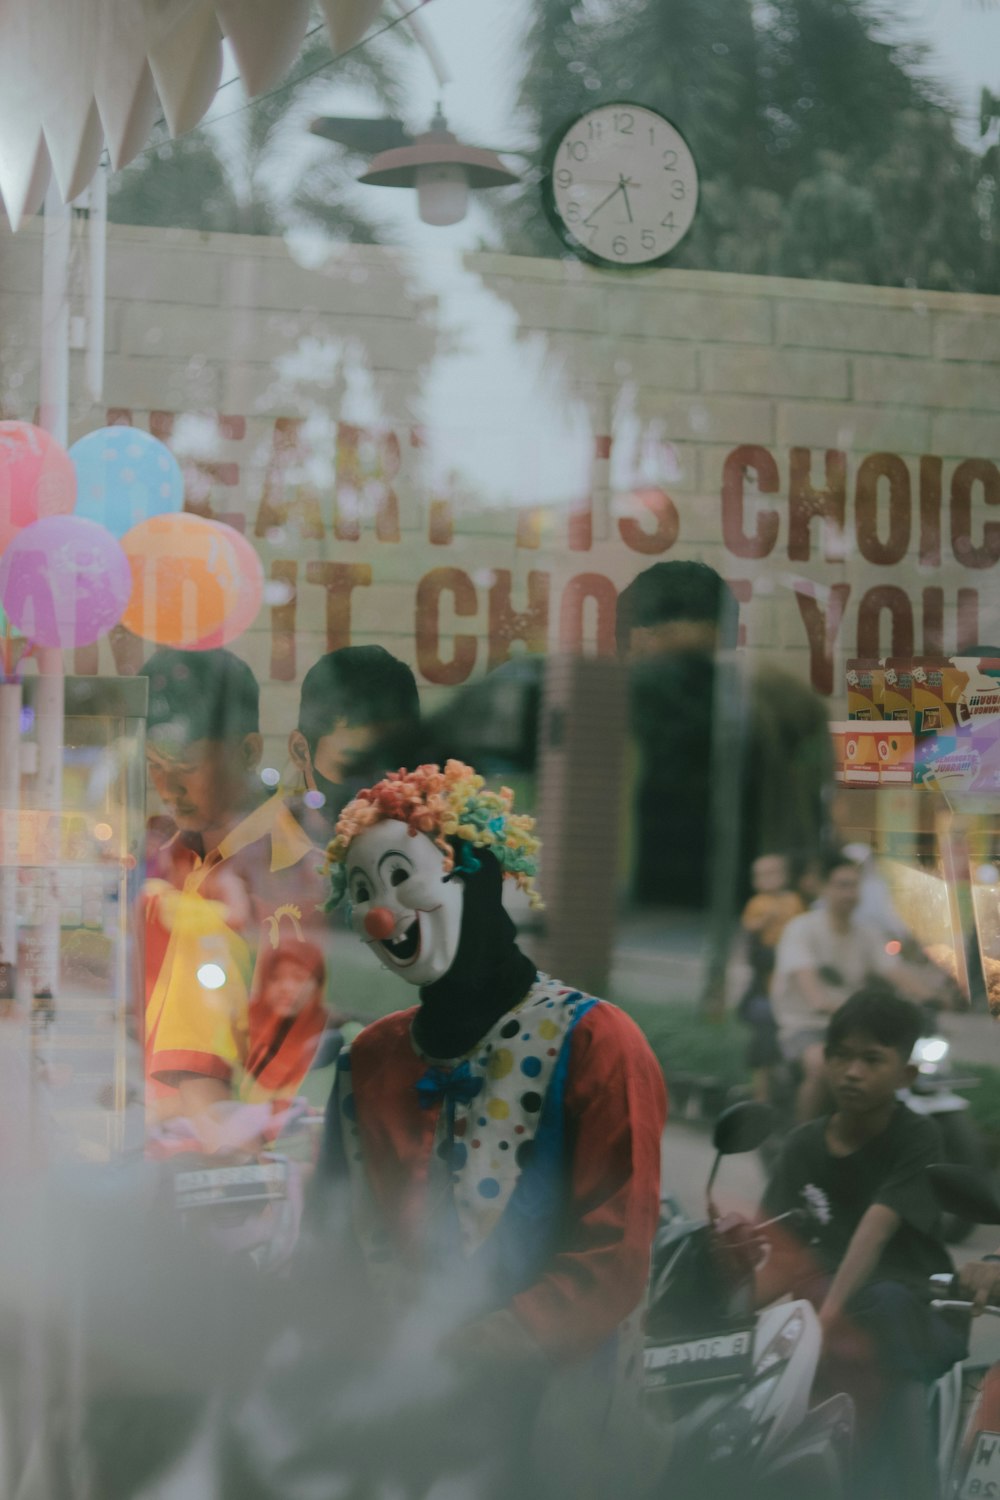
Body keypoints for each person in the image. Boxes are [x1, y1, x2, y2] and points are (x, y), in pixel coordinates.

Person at [316, 760, 667, 1496]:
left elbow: (617, 1246)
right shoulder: (369, 1060)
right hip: (396, 1419)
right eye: (361, 892)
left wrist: (507, 1336)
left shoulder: (601, 1043)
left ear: (474, 879)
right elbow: (333, 1234)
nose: (380, 913)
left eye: (399, 878)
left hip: (550, 1418)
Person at [757, 986, 966, 1500]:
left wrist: (830, 1316)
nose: (853, 1071)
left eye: (872, 1059)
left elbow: (876, 1227)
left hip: (910, 1301)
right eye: (842, 1056)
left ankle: (917, 1487)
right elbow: (770, 1244)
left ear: (906, 1075)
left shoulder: (916, 1138)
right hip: (821, 1309)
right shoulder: (802, 1144)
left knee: (887, 1312)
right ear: (824, 1061)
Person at [140, 647, 329, 1122]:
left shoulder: (288, 872)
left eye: (185, 767)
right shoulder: (177, 855)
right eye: (154, 766)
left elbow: (287, 1032)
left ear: (247, 752)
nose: (167, 786)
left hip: (235, 1139)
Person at [773, 851, 943, 1120]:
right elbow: (814, 995)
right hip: (807, 1027)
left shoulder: (867, 934)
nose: (850, 893)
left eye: (855, 885)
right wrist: (831, 1005)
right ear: (824, 888)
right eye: (842, 885)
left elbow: (894, 970)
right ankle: (802, 1142)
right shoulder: (801, 930)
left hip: (857, 1028)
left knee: (892, 1067)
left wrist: (933, 996)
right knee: (820, 1067)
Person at [287, 645, 420, 835]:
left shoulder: (436, 838)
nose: (380, 789)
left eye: (396, 765)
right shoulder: (258, 850)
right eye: (356, 767)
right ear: (300, 751)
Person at [736, 853, 804, 1103]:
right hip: (765, 987)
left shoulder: (793, 901)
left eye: (774, 873)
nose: (769, 879)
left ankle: (780, 1091)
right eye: (762, 875)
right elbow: (750, 933)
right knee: (763, 1039)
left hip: (790, 984)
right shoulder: (757, 904)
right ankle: (761, 1097)